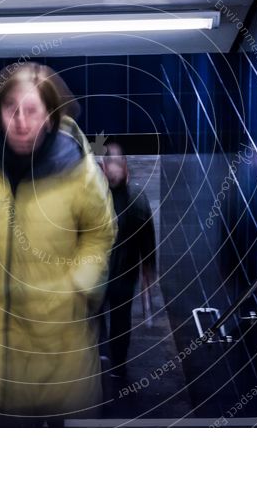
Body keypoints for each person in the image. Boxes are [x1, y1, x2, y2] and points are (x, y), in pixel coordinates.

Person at [0, 62, 116, 426]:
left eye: (32, 110)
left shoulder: (79, 173)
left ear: (50, 115)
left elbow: (99, 229)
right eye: (10, 108)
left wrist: (79, 283)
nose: (21, 120)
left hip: (56, 328)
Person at [99, 142, 157, 379]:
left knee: (115, 320)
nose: (111, 170)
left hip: (120, 275)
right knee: (103, 318)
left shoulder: (136, 200)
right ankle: (110, 360)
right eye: (108, 165)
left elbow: (147, 241)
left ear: (125, 166)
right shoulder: (95, 196)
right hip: (107, 274)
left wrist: (148, 273)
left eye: (115, 164)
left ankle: (114, 362)